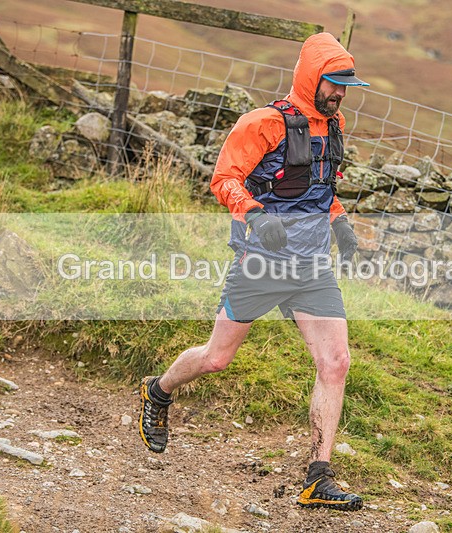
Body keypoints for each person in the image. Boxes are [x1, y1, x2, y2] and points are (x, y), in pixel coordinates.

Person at [138, 32, 369, 511]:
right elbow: (224, 180)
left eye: (346, 85)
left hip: (311, 266)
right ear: (311, 77)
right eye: (334, 83)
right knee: (217, 358)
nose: (340, 93)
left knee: (336, 362)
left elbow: (318, 189)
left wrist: (340, 222)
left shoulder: (335, 124)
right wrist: (256, 216)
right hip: (260, 262)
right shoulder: (263, 123)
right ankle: (159, 391)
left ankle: (317, 477)